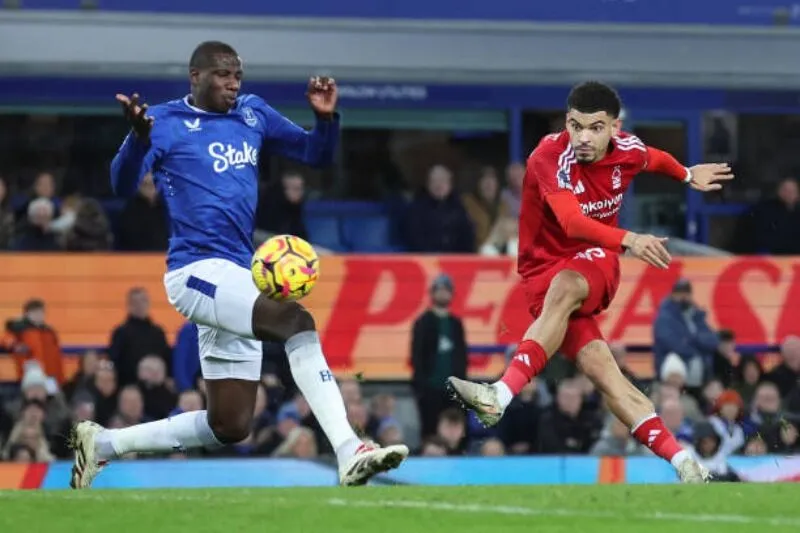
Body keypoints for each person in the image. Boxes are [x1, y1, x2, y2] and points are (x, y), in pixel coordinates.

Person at [68, 41, 408, 489]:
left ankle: (102, 445)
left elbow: (316, 155)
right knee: (295, 319)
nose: (233, 83)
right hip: (196, 271)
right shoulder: (164, 122)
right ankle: (349, 449)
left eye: (238, 76)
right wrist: (137, 139)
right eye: (223, 74)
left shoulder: (252, 113)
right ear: (196, 76)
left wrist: (324, 120)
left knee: (230, 424)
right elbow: (123, 183)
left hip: (237, 273)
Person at [447, 81, 733, 483]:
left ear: (615, 127)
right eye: (576, 125)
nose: (583, 137)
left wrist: (686, 174)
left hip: (592, 262)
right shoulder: (548, 156)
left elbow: (654, 158)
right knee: (606, 375)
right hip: (538, 276)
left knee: (567, 283)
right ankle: (685, 463)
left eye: (595, 127)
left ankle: (500, 394)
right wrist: (630, 239)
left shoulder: (628, 150)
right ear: (567, 122)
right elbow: (571, 221)